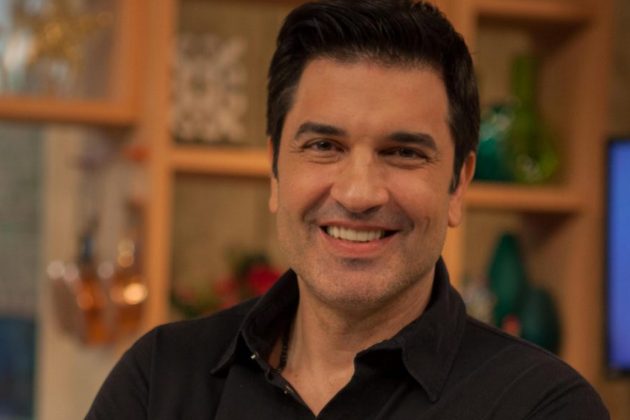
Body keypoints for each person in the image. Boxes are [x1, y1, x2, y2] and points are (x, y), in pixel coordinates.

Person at [87, 1, 609, 418]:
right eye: (324, 146)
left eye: (403, 152)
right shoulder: (160, 380)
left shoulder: (541, 407)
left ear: (458, 185)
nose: (359, 194)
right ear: (275, 169)